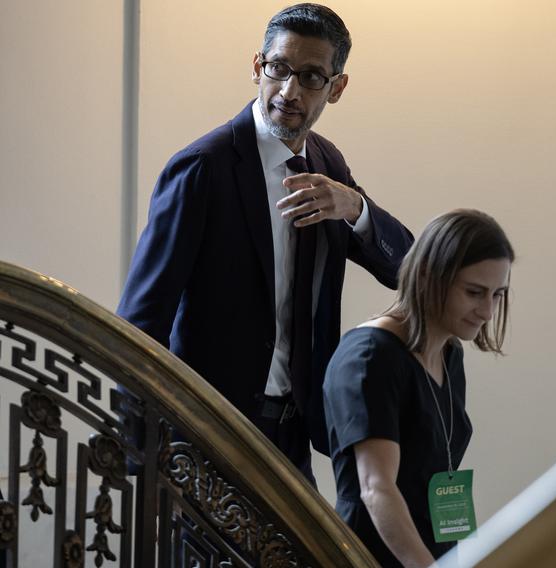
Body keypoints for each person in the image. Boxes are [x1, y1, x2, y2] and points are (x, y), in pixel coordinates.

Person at [116, 4, 413, 484]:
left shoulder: (326, 163)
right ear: (258, 66)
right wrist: (142, 462)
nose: (290, 91)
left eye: (312, 77)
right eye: (279, 69)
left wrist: (355, 208)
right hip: (207, 436)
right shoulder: (203, 168)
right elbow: (140, 319)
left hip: (294, 435)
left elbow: (408, 269)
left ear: (336, 88)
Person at [323, 209, 514, 567]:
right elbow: (376, 487)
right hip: (374, 556)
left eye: (497, 294)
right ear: (428, 276)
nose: (487, 311)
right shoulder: (369, 357)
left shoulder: (449, 353)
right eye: (474, 292)